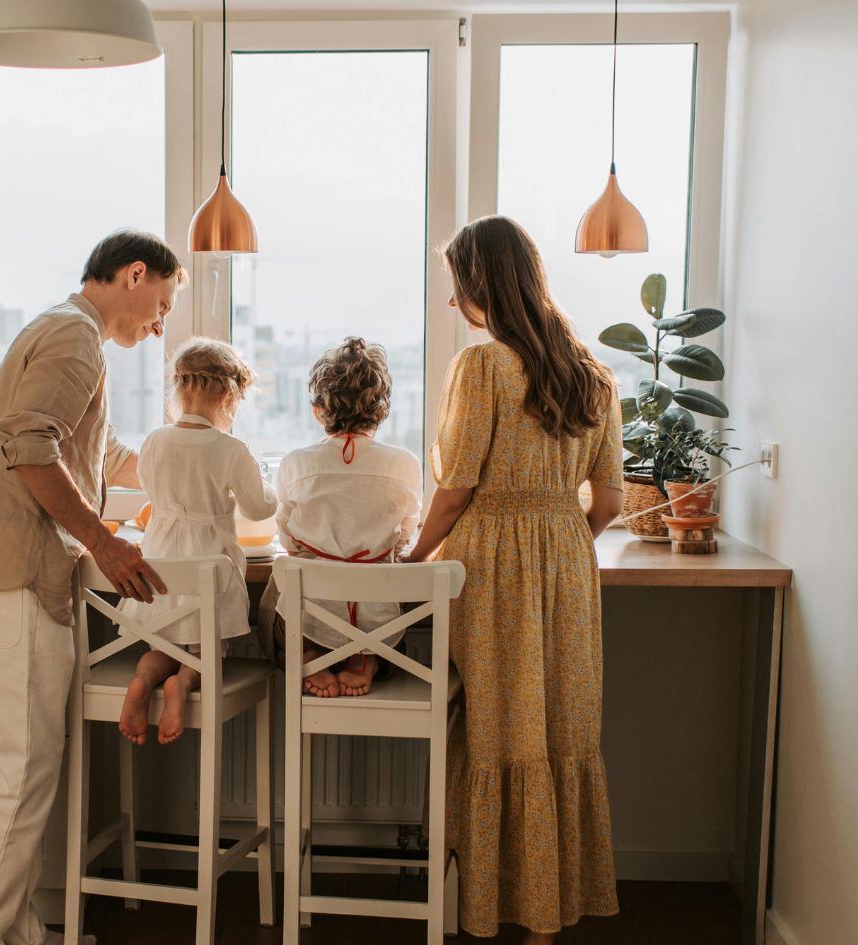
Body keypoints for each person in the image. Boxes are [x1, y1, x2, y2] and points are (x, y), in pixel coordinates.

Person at [0, 230, 182, 945]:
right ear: (134, 274)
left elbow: (93, 452)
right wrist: (105, 538)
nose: (161, 322)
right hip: (15, 574)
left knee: (7, 773)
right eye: (162, 302)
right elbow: (31, 446)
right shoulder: (77, 339)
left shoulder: (60, 330)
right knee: (18, 778)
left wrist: (195, 464)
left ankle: (19, 936)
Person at [403, 216, 626, 944]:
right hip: (567, 562)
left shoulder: (483, 367)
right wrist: (561, 544)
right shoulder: (594, 372)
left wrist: (413, 558)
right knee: (560, 729)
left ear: (481, 286)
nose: (450, 304)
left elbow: (458, 485)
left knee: (494, 731)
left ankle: (488, 906)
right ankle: (545, 920)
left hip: (488, 568)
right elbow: (613, 500)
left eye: (456, 287)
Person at [116, 339, 276, 746]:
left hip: (161, 571)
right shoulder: (232, 449)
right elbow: (258, 509)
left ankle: (142, 681)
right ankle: (184, 683)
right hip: (209, 569)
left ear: (179, 392)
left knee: (162, 646)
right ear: (226, 396)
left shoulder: (154, 441)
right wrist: (274, 492)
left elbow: (152, 490)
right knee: (207, 651)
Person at [259, 337, 422, 697]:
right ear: (383, 410)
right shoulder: (405, 464)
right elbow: (405, 536)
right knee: (391, 619)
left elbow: (287, 539)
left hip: (310, 615)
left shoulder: (296, 463)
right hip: (377, 625)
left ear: (318, 411)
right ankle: (367, 658)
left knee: (275, 601)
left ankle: (311, 653)